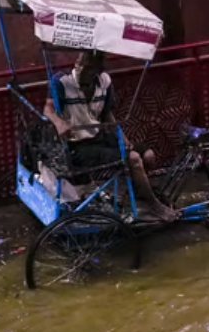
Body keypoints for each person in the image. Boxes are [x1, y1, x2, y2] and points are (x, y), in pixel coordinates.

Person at [43, 51, 178, 222]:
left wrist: (124, 140)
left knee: (148, 155)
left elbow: (108, 115)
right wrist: (59, 123)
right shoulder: (62, 82)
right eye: (78, 64)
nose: (80, 69)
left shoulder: (104, 82)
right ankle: (155, 206)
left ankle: (136, 196)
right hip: (78, 147)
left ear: (97, 70)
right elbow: (47, 109)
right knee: (134, 159)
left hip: (99, 138)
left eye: (87, 66)